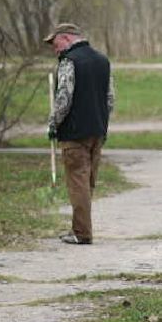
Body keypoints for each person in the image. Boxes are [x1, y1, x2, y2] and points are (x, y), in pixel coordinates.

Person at [44, 23, 114, 245]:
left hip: (74, 133)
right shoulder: (103, 61)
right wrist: (102, 121)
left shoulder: (69, 62)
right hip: (98, 131)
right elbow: (110, 98)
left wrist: (53, 124)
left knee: (78, 183)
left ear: (66, 38)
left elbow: (64, 97)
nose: (55, 50)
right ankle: (80, 228)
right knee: (87, 182)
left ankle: (82, 233)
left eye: (55, 44)